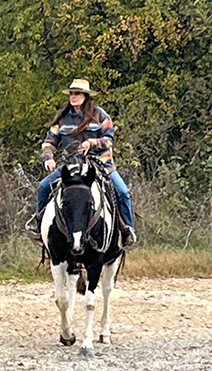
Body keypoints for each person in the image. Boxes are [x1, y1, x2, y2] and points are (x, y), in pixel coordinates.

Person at [27, 78, 136, 246]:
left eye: (77, 93)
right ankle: (39, 224)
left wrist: (92, 143)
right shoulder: (62, 119)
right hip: (71, 165)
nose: (73, 96)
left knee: (122, 192)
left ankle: (127, 229)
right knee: (43, 186)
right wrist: (48, 158)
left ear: (85, 96)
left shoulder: (101, 115)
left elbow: (108, 140)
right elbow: (49, 142)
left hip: (101, 164)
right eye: (71, 93)